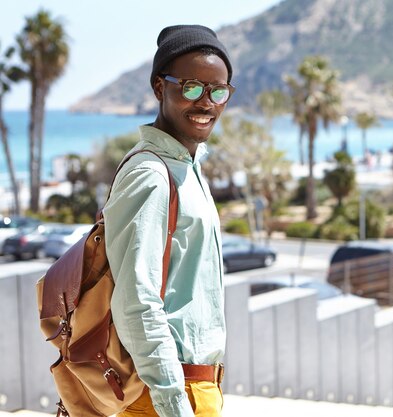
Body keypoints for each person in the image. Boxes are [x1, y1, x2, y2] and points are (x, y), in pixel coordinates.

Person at [103, 24, 234, 417]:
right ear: (161, 88)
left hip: (196, 388)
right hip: (164, 396)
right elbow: (136, 301)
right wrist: (174, 403)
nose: (206, 102)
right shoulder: (151, 174)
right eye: (192, 87)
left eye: (218, 91)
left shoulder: (188, 168)